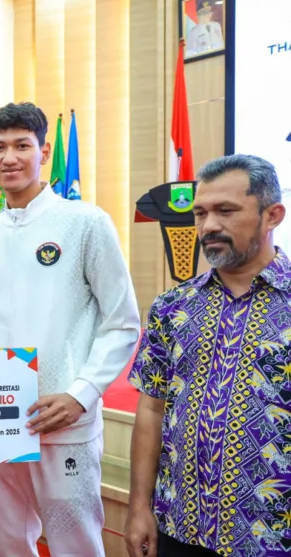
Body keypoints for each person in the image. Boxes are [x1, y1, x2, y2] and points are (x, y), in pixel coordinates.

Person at [0, 103, 140, 557]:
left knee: (74, 540)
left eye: (22, 146)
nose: (9, 157)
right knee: (9, 539)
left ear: (43, 153)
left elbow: (122, 322)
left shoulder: (85, 222)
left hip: (64, 419)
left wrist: (81, 394)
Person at [125, 155, 291, 557]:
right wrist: (138, 506)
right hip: (180, 526)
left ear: (272, 215)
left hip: (272, 536)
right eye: (200, 213)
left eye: (225, 211)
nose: (208, 225)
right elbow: (152, 409)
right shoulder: (172, 306)